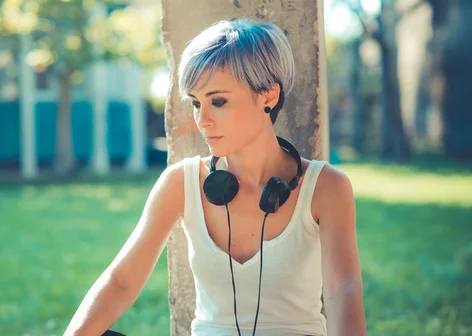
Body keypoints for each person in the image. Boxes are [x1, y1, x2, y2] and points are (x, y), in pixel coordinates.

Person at [64, 19, 366, 336]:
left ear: (268, 96)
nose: (202, 120)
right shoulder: (181, 183)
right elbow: (121, 282)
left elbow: (341, 293)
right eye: (196, 103)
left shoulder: (326, 187)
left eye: (218, 101)